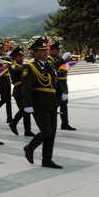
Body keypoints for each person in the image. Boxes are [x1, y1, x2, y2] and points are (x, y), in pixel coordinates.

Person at [22, 37, 63, 169]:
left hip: (52, 103)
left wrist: (61, 94)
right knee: (46, 132)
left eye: (46, 50)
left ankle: (47, 159)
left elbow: (55, 82)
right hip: (39, 104)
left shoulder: (49, 65)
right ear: (34, 52)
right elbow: (26, 87)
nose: (45, 52)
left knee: (52, 133)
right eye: (42, 50)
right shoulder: (30, 67)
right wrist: (27, 105)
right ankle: (30, 147)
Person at [47, 41, 76, 130]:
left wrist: (69, 61)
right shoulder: (49, 59)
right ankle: (52, 124)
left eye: (59, 49)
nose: (58, 51)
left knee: (64, 104)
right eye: (56, 49)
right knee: (55, 105)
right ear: (51, 50)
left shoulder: (58, 58)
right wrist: (63, 59)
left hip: (63, 82)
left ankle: (65, 123)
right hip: (56, 83)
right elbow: (53, 66)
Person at [8, 47, 34, 136]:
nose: (22, 57)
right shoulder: (13, 65)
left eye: (22, 55)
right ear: (14, 57)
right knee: (23, 110)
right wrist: (27, 66)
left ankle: (27, 130)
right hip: (18, 90)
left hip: (25, 89)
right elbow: (15, 71)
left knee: (27, 110)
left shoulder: (23, 65)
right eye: (19, 56)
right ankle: (13, 123)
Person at [0, 42, 12, 123]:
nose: (2, 51)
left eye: (2, 49)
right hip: (0, 80)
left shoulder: (6, 58)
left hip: (7, 79)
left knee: (9, 100)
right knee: (3, 99)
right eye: (0, 49)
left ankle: (9, 117)